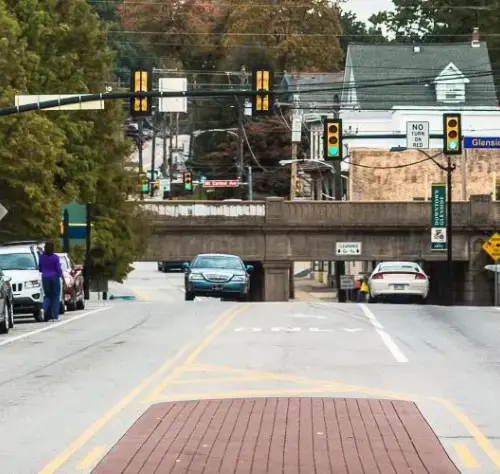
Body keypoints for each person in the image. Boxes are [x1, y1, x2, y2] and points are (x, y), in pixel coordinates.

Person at [38, 241, 64, 321]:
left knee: (47, 295)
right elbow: (58, 269)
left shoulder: (41, 257)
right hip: (54, 277)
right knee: (55, 296)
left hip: (45, 277)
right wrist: (62, 277)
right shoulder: (55, 257)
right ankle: (54, 316)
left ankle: (44, 309)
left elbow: (40, 269)